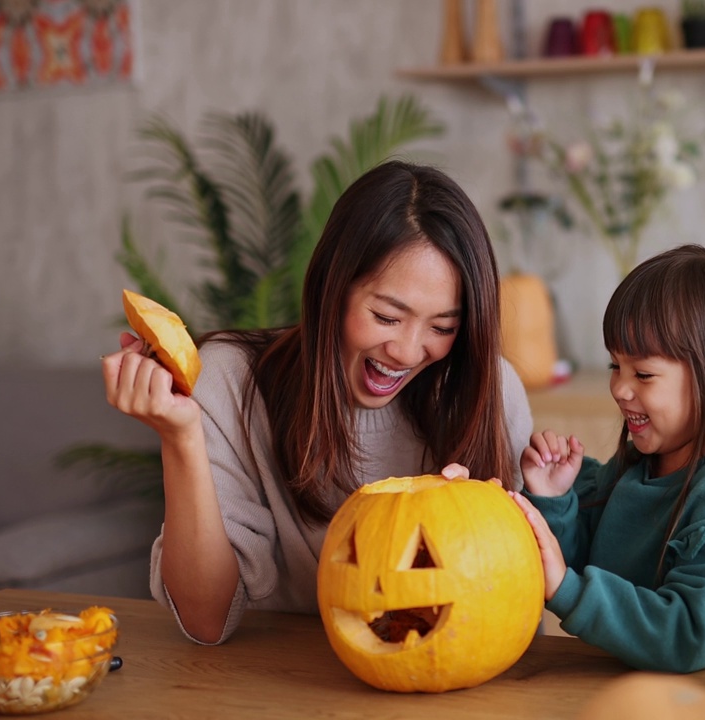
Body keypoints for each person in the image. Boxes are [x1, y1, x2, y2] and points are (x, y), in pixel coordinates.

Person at [102, 160, 533, 644]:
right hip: (275, 687)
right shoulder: (230, 379)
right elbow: (206, 620)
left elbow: (513, 601)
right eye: (387, 317)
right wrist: (179, 437)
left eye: (442, 327)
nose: (409, 352)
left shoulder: (490, 387)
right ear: (332, 286)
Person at [509, 244, 705, 673]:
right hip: (639, 680)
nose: (620, 389)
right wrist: (556, 499)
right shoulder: (634, 470)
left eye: (643, 374)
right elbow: (584, 564)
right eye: (614, 367)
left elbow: (686, 632)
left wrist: (567, 589)